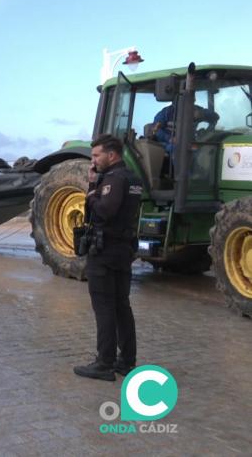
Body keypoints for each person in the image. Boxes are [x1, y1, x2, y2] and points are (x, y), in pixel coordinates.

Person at [74, 134, 142, 381]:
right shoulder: (133, 179)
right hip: (123, 249)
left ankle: (104, 363)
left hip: (105, 251)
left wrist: (92, 190)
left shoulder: (113, 179)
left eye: (96, 155)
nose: (93, 160)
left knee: (104, 308)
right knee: (122, 306)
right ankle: (126, 361)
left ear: (111, 155)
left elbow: (104, 211)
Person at [151, 104, 219, 155]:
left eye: (193, 96)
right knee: (177, 148)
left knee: (207, 148)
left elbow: (215, 117)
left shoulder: (196, 110)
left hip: (189, 142)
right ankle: (181, 173)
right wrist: (169, 138)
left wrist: (202, 115)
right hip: (167, 143)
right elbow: (156, 130)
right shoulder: (166, 113)